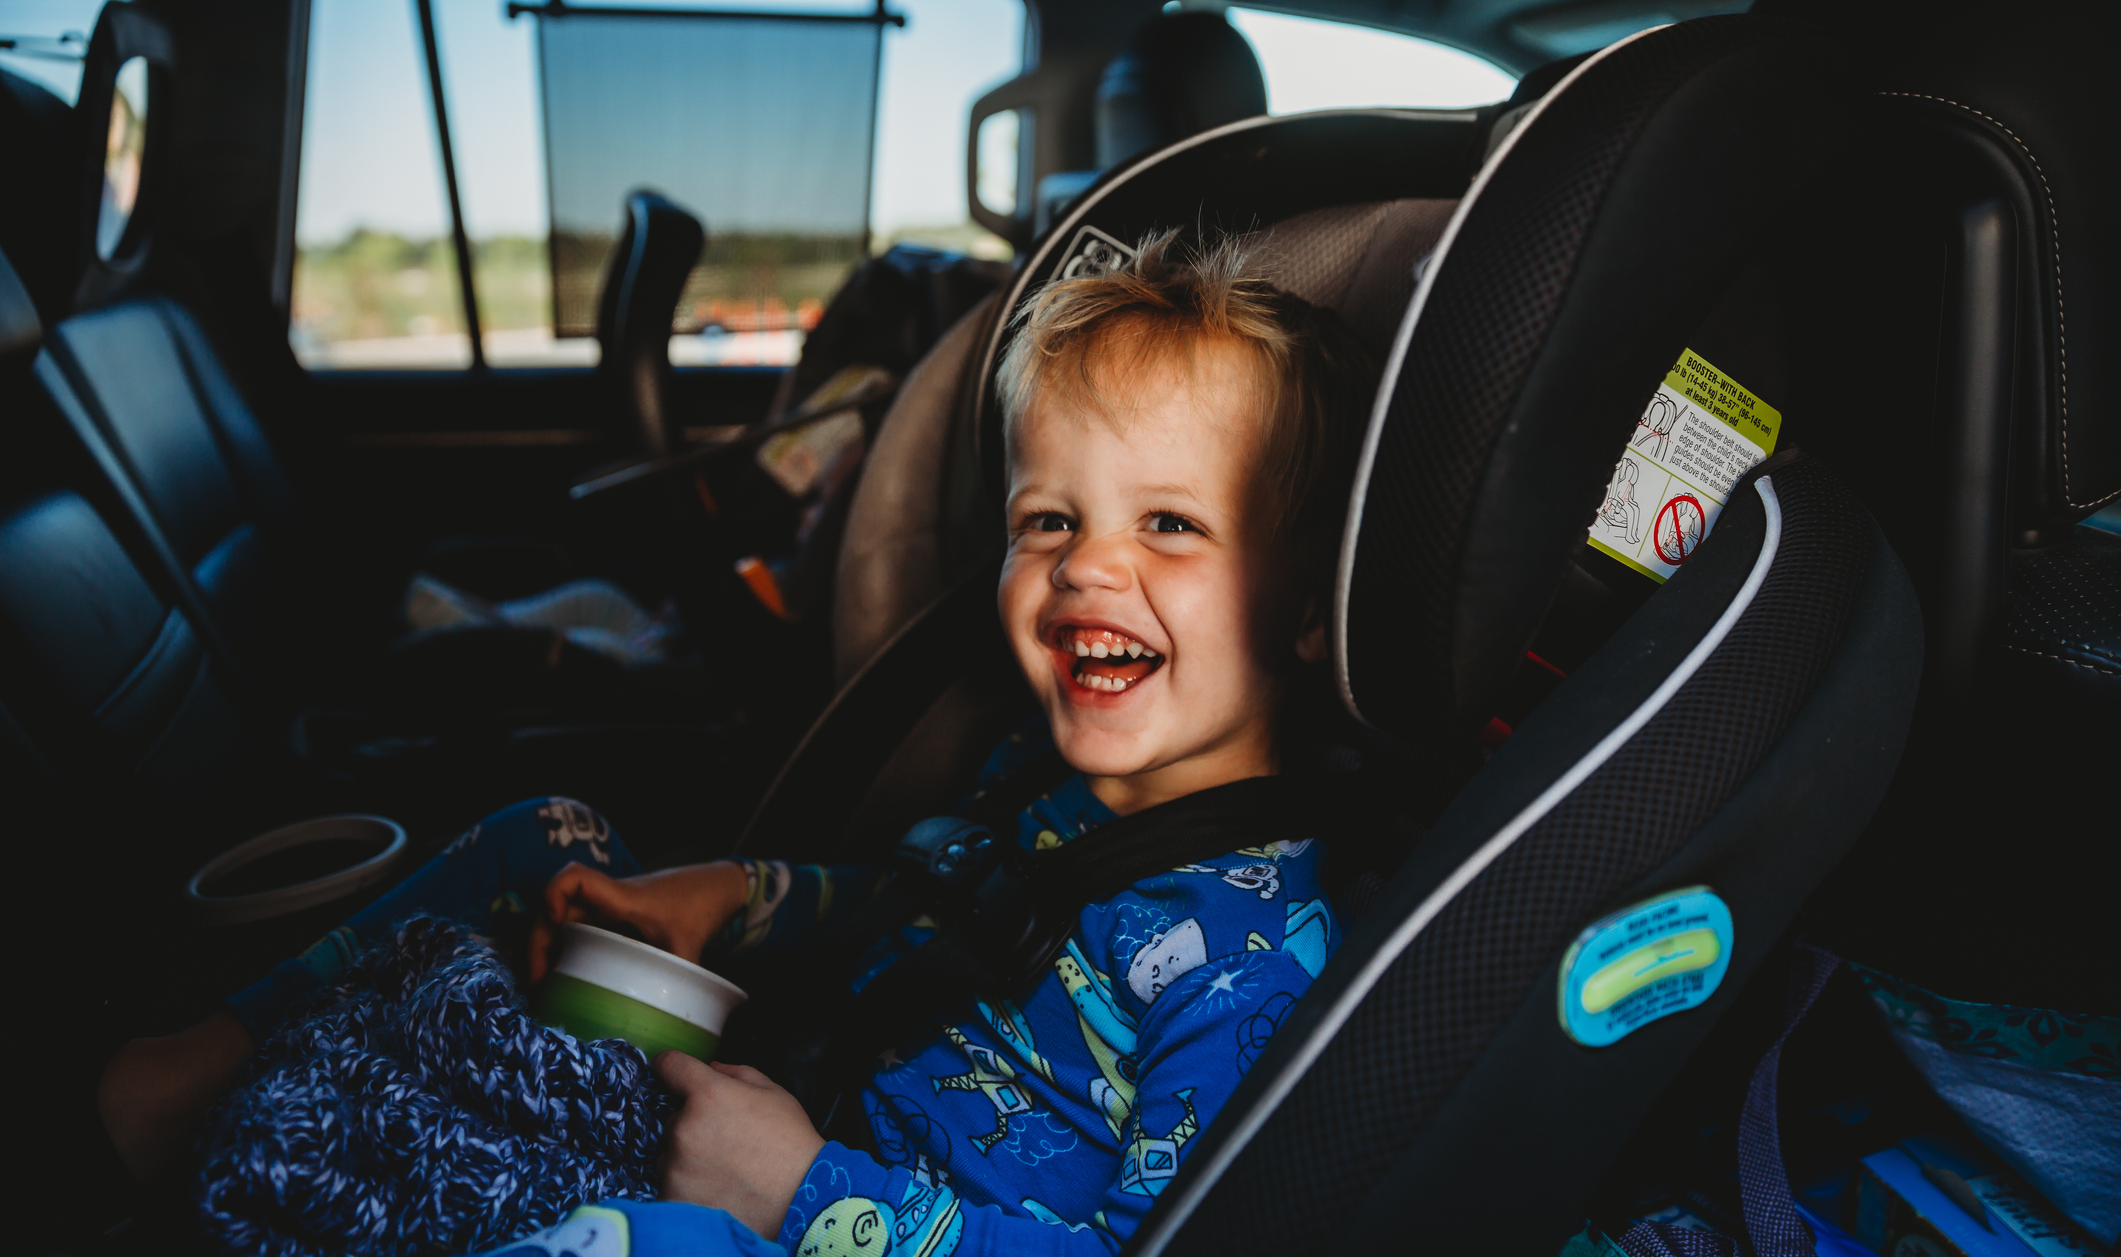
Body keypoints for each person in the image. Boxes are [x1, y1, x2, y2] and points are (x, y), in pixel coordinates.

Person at [99, 230, 1378, 1256]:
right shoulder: (1054, 787)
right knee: (539, 839)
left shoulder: (1251, 973)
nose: (1088, 563)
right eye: (1048, 520)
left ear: (1313, 616)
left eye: (1170, 524)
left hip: (819, 1208)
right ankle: (190, 1083)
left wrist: (800, 1192)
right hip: (796, 1108)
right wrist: (727, 895)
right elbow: (925, 899)